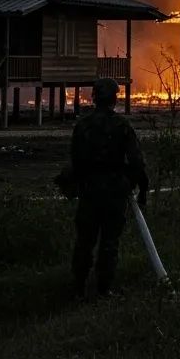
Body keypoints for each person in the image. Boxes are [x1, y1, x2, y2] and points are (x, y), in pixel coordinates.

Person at [69, 77, 148, 298]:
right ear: (115, 98)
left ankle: (78, 287)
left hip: (90, 191)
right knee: (109, 242)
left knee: (85, 240)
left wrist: (81, 183)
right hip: (114, 192)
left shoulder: (82, 126)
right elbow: (136, 162)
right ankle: (104, 289)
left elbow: (75, 160)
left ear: (94, 98)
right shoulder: (122, 126)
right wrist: (136, 187)